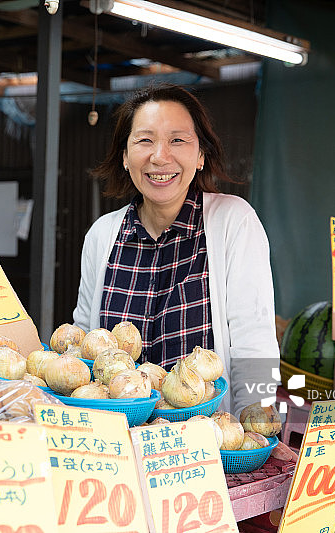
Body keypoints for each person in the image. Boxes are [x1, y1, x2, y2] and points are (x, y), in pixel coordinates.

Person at [73, 83, 280, 418]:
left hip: (206, 440)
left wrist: (256, 424)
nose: (160, 156)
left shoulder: (233, 222)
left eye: (178, 140)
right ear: (125, 156)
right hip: (118, 438)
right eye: (145, 140)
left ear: (200, 156)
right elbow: (85, 342)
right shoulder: (102, 235)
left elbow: (254, 343)